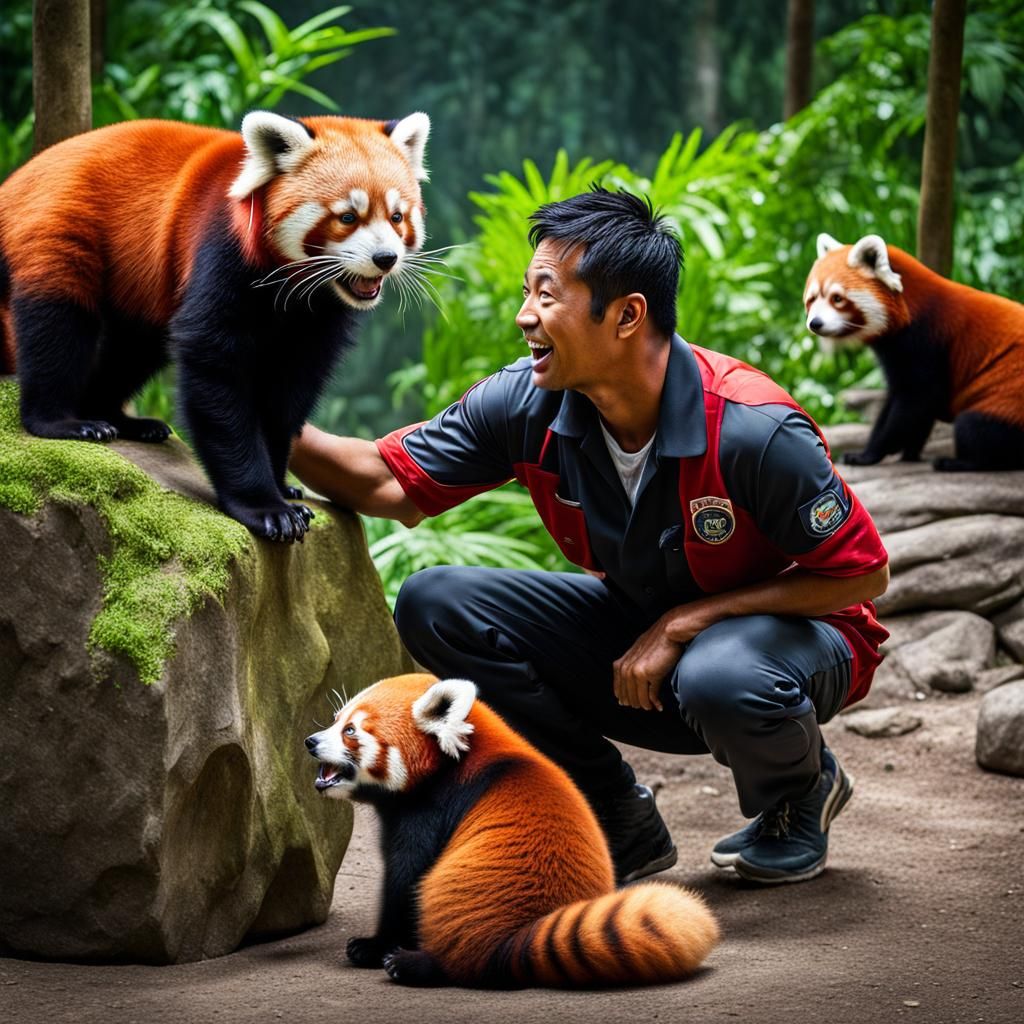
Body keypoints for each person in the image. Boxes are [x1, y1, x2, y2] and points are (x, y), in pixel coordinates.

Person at [290, 187, 890, 887]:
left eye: (546, 295)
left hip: (797, 648)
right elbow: (384, 484)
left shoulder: (753, 430)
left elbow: (863, 575)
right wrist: (261, 414)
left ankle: (799, 794)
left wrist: (687, 623)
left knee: (721, 674)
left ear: (628, 315)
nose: (525, 315)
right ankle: (613, 814)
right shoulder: (526, 402)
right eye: (527, 292)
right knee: (435, 602)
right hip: (646, 647)